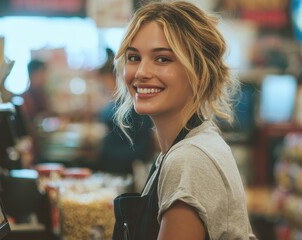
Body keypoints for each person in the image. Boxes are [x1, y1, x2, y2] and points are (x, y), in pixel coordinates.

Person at [111, 1, 257, 239]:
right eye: (134, 57)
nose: (141, 72)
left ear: (198, 71)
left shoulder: (189, 159)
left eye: (162, 59)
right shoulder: (188, 144)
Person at [96, 48, 155, 176]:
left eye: (105, 80)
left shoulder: (134, 102)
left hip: (125, 165)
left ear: (115, 76)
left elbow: (143, 142)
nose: (104, 85)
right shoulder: (121, 101)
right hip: (118, 162)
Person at [21, 59, 53, 164]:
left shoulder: (41, 95)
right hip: (32, 150)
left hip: (43, 147)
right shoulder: (25, 99)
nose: (44, 78)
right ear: (32, 74)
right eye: (42, 74)